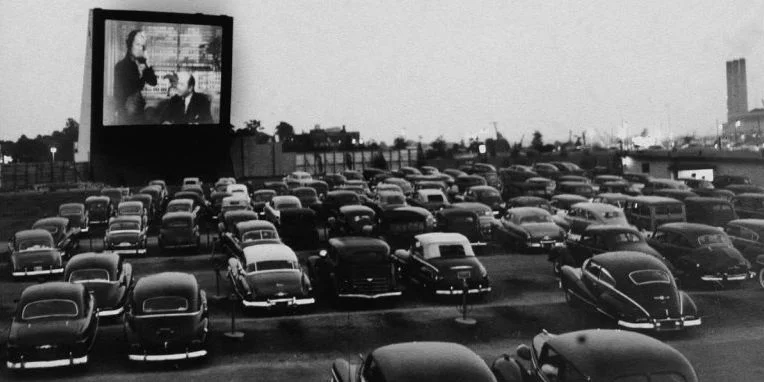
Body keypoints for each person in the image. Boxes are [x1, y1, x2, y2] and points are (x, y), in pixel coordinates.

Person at [113, 30, 157, 124]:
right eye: (137, 44)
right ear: (129, 45)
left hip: (138, 110)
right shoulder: (121, 66)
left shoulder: (142, 63)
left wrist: (147, 63)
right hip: (127, 113)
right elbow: (122, 93)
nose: (140, 48)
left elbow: (153, 82)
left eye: (143, 46)